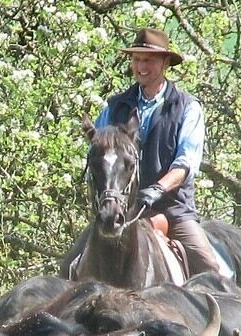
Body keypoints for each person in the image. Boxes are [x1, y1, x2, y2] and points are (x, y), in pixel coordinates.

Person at [93, 27, 222, 276]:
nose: (141, 66)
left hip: (172, 210)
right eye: (137, 59)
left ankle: (221, 309)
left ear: (165, 62)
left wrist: (157, 189)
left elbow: (185, 164)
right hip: (120, 210)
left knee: (210, 270)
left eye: (148, 60)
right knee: (69, 267)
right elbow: (98, 151)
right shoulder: (114, 106)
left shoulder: (187, 107)